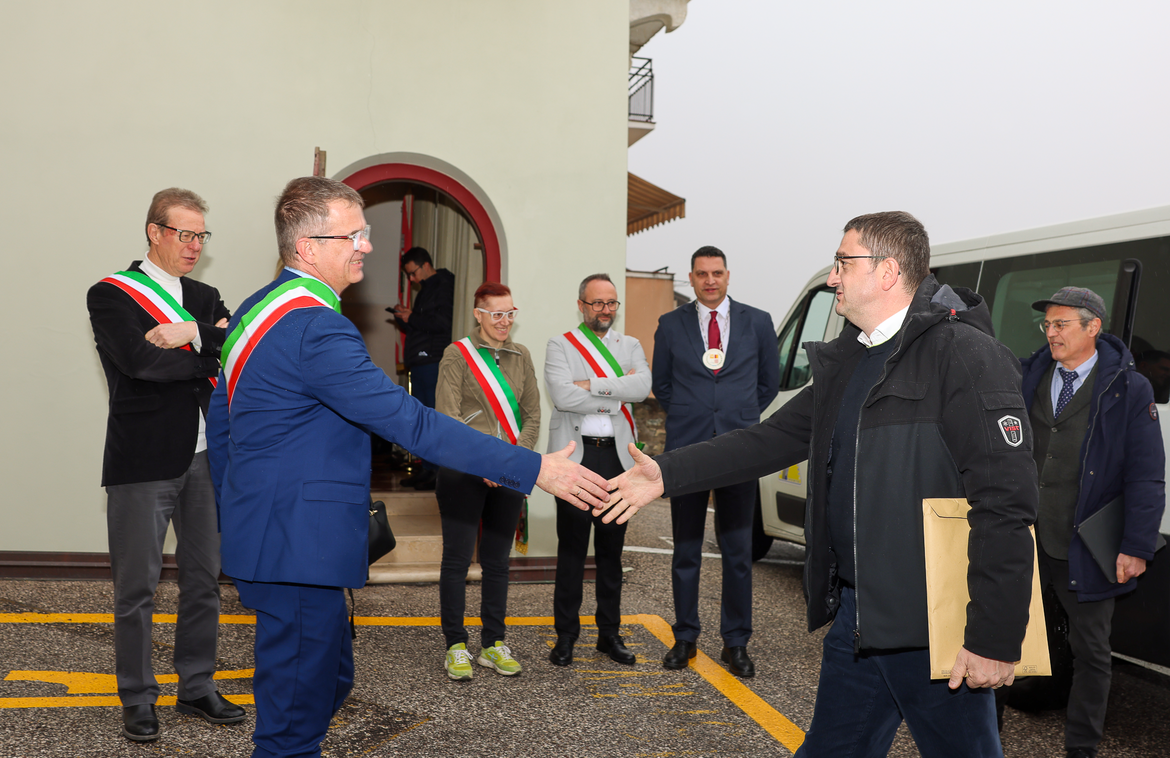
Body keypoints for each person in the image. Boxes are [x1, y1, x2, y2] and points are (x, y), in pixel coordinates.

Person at [603, 212, 1039, 757]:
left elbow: (1005, 504)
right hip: (860, 617)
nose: (833, 277)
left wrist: (994, 638)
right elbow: (767, 440)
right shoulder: (853, 360)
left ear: (887, 271)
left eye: (843, 263)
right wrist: (666, 473)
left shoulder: (965, 356)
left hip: (931, 623)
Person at [207, 176, 609, 758]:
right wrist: (531, 468)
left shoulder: (256, 310)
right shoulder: (316, 327)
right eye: (353, 236)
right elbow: (411, 422)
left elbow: (222, 418)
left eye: (365, 232)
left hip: (277, 535)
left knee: (329, 682)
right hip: (296, 547)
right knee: (292, 724)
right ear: (307, 247)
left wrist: (239, 510)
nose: (367, 246)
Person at [86, 188, 244, 742]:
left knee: (204, 582)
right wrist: (206, 357)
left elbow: (237, 346)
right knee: (137, 588)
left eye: (201, 235)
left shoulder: (204, 295)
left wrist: (196, 336)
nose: (195, 245)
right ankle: (137, 696)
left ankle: (196, 686)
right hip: (143, 458)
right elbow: (140, 363)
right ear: (154, 232)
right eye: (184, 234)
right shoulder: (111, 294)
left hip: (206, 458)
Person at [1018, 287, 1165, 758]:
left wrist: (1137, 546)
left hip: (1084, 544)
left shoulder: (1129, 388)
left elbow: (1146, 474)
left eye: (1061, 324)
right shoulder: (1028, 374)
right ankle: (984, 735)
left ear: (1093, 327)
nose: (1051, 333)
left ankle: (1081, 747)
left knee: (1091, 652)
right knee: (1004, 637)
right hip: (1023, 538)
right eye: (1047, 325)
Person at [650, 246, 779, 678]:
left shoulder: (757, 322)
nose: (710, 280)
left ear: (727, 276)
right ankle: (685, 637)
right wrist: (694, 417)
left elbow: (768, 384)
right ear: (691, 278)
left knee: (738, 551)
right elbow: (662, 386)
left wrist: (737, 417)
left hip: (739, 448)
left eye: (717, 273)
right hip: (687, 450)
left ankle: (736, 642)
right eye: (702, 274)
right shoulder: (670, 324)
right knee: (685, 549)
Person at [433, 281, 539, 680]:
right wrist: (485, 463)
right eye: (497, 314)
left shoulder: (521, 355)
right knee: (457, 561)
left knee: (497, 562)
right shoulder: (457, 354)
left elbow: (533, 416)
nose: (504, 321)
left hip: (507, 473)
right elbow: (448, 417)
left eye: (510, 313)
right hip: (463, 471)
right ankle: (456, 645)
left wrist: (509, 463)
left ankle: (493, 644)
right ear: (478, 314)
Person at [544, 274, 651, 666]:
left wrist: (589, 384)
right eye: (597, 303)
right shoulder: (560, 344)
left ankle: (609, 634)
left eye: (611, 303)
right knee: (571, 552)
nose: (605, 310)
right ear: (581, 305)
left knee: (611, 554)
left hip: (616, 460)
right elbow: (561, 395)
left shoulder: (630, 345)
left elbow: (642, 388)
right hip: (575, 458)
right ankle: (565, 636)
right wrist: (615, 392)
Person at [389, 246, 455, 490]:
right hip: (420, 361)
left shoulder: (444, 285)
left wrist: (412, 318)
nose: (412, 279)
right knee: (422, 419)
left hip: (433, 360)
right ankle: (427, 468)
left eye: (413, 273)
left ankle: (438, 472)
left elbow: (442, 323)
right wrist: (406, 317)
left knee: (434, 418)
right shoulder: (427, 289)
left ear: (426, 265)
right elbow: (423, 325)